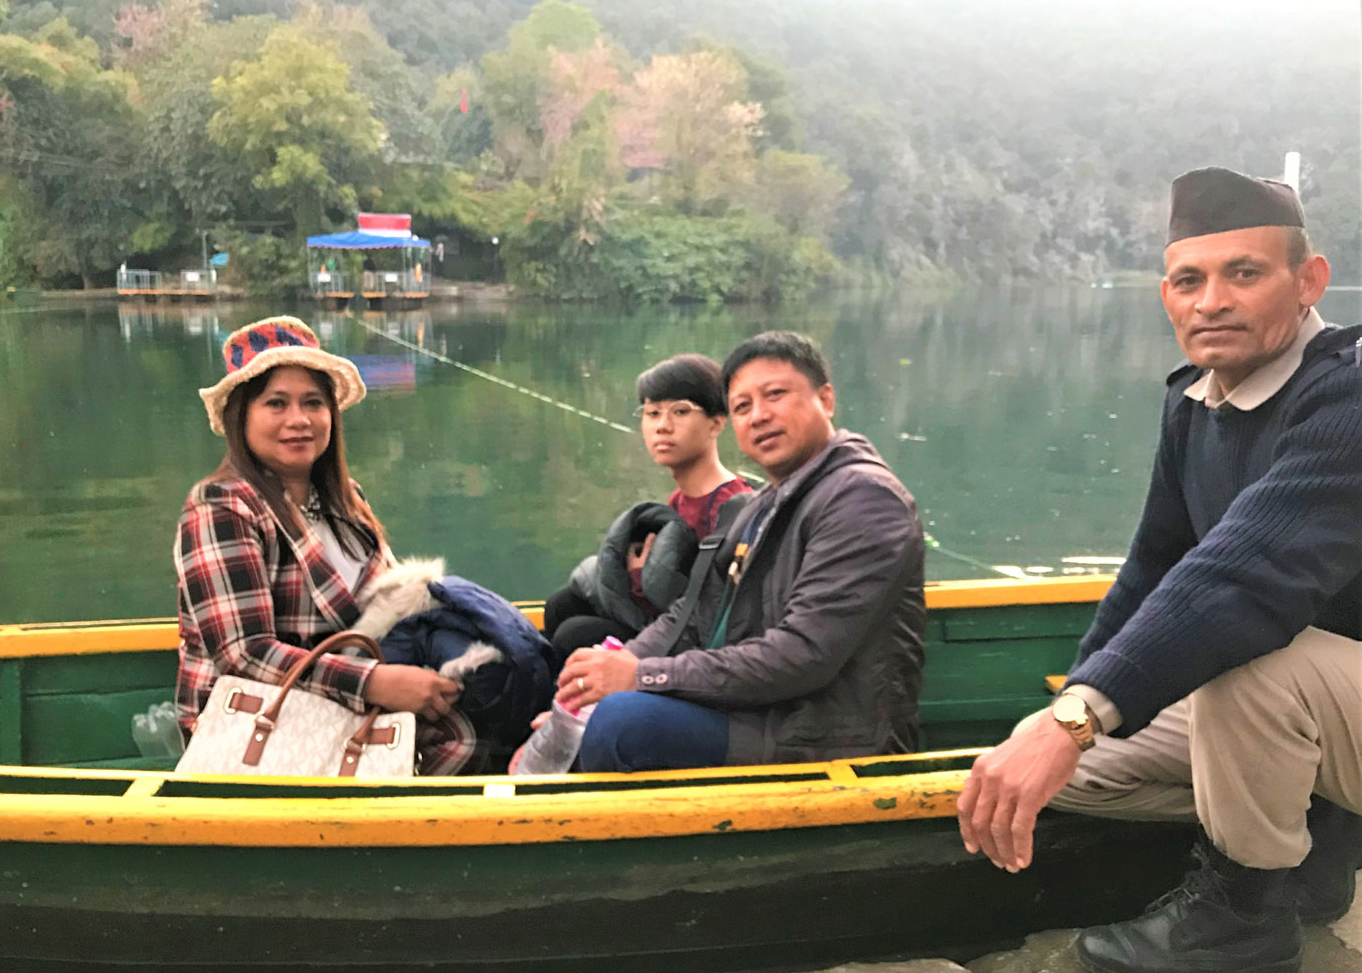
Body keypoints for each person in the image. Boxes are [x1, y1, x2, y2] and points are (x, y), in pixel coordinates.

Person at [956, 167, 1361, 973]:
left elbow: (1243, 574)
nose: (1211, 300)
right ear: (1166, 295)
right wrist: (1062, 715)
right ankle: (1309, 857)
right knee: (1080, 776)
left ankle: (1242, 924)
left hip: (1325, 692)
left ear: (1308, 280)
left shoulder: (1348, 394)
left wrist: (1069, 720)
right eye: (1189, 280)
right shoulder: (1194, 405)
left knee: (1247, 658)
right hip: (1330, 719)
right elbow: (1152, 571)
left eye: (1243, 273)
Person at [555, 331, 926, 772]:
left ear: (825, 399)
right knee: (590, 688)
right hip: (763, 709)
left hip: (825, 732)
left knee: (622, 722)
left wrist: (641, 678)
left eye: (775, 395)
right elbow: (692, 616)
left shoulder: (863, 499)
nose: (759, 416)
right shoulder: (762, 504)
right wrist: (615, 669)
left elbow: (803, 656)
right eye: (743, 406)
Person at [174, 315, 478, 774]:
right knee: (456, 741)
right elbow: (244, 652)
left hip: (339, 694)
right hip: (253, 721)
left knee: (487, 704)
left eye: (313, 403)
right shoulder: (222, 505)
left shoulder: (345, 500)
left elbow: (388, 608)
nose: (299, 420)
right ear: (243, 415)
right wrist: (374, 682)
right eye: (276, 403)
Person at [543, 353, 751, 660]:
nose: (662, 426)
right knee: (563, 603)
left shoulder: (732, 509)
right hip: (662, 620)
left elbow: (711, 609)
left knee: (574, 635)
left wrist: (643, 579)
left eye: (680, 411)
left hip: (694, 647)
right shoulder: (677, 502)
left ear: (716, 423)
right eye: (653, 413)